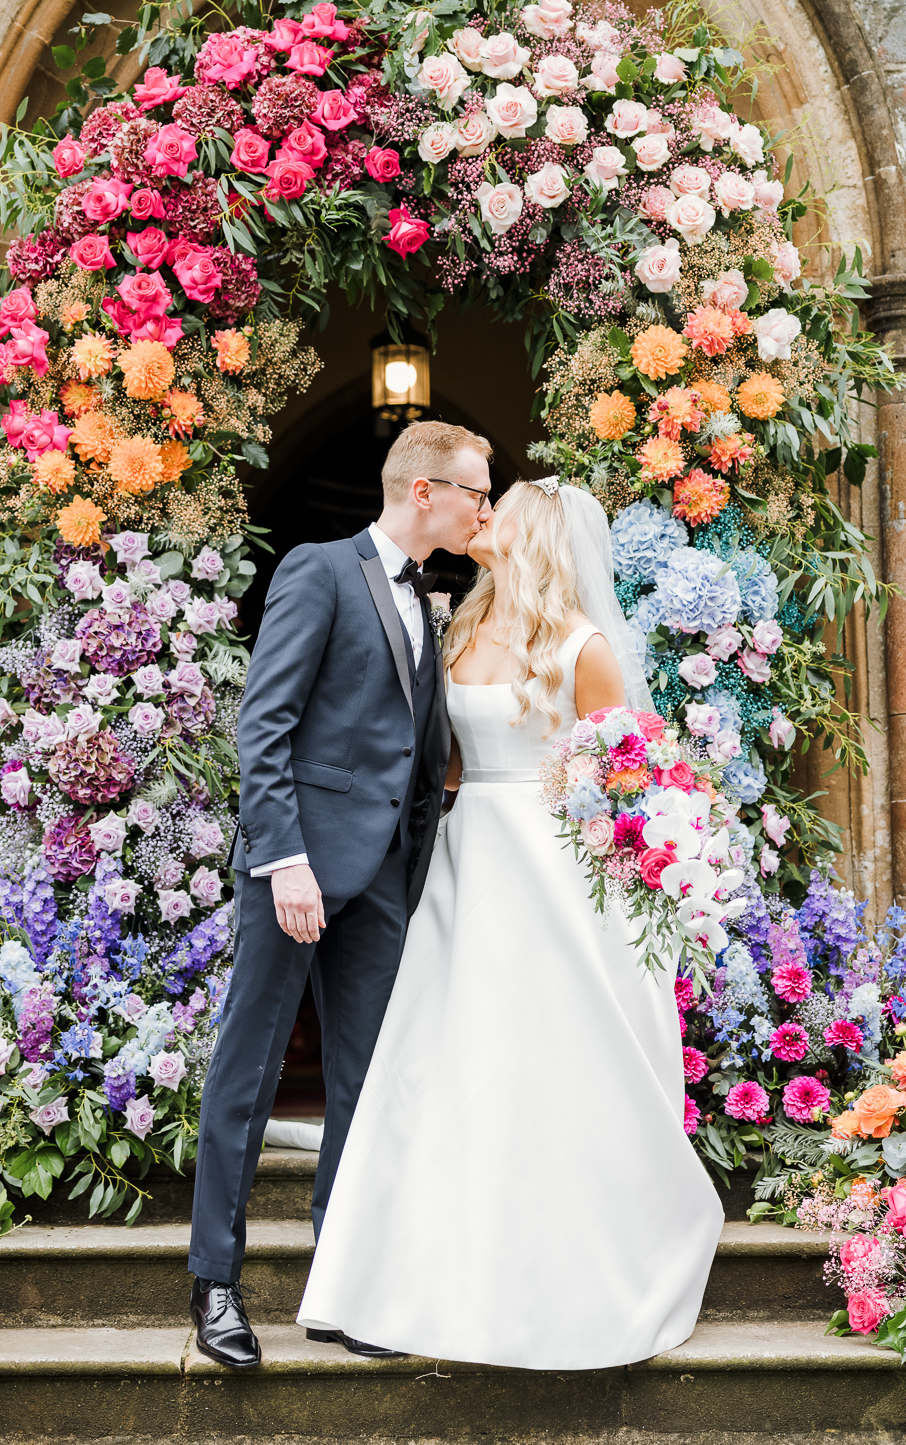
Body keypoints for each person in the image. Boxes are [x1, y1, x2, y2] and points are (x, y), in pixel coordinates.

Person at [297, 478, 725, 1370]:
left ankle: (568, 1276)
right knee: (440, 1066)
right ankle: (405, 1280)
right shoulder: (457, 628)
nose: (483, 512)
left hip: (553, 875)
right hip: (464, 863)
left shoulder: (584, 647)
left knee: (547, 1071)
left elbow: (628, 784)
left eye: (505, 504)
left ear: (539, 533)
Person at [188, 419, 494, 1369]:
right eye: (475, 492)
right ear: (422, 492)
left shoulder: (432, 600)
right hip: (299, 874)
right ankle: (215, 1285)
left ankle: (343, 1285)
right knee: (249, 1069)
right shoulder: (320, 569)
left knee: (366, 1087)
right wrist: (284, 862)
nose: (483, 509)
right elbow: (265, 723)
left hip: (382, 887)